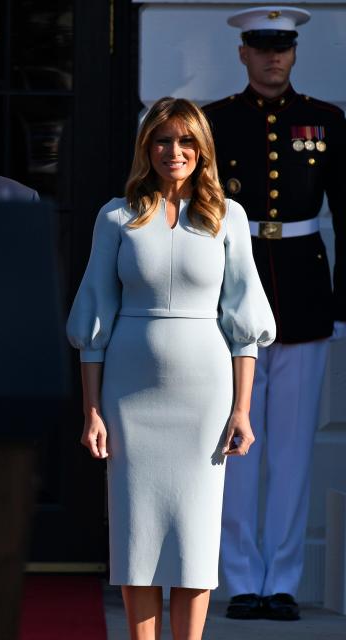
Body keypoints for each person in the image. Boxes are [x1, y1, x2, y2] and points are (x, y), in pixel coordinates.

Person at [67, 97, 275, 640]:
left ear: (202, 149)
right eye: (162, 140)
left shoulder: (228, 216)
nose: (173, 151)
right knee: (137, 537)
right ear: (146, 148)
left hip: (205, 396)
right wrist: (92, 411)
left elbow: (243, 320)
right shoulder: (116, 215)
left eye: (186, 141)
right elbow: (94, 319)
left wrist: (242, 409)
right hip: (130, 396)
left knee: (195, 537)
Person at [203, 6, 346, 621]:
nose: (273, 58)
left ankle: (281, 579)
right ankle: (238, 580)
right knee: (235, 446)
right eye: (261, 47)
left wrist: (343, 303)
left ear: (293, 52)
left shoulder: (326, 122)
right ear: (243, 53)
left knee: (291, 449)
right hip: (231, 295)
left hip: (306, 293)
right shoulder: (213, 122)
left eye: (282, 47)